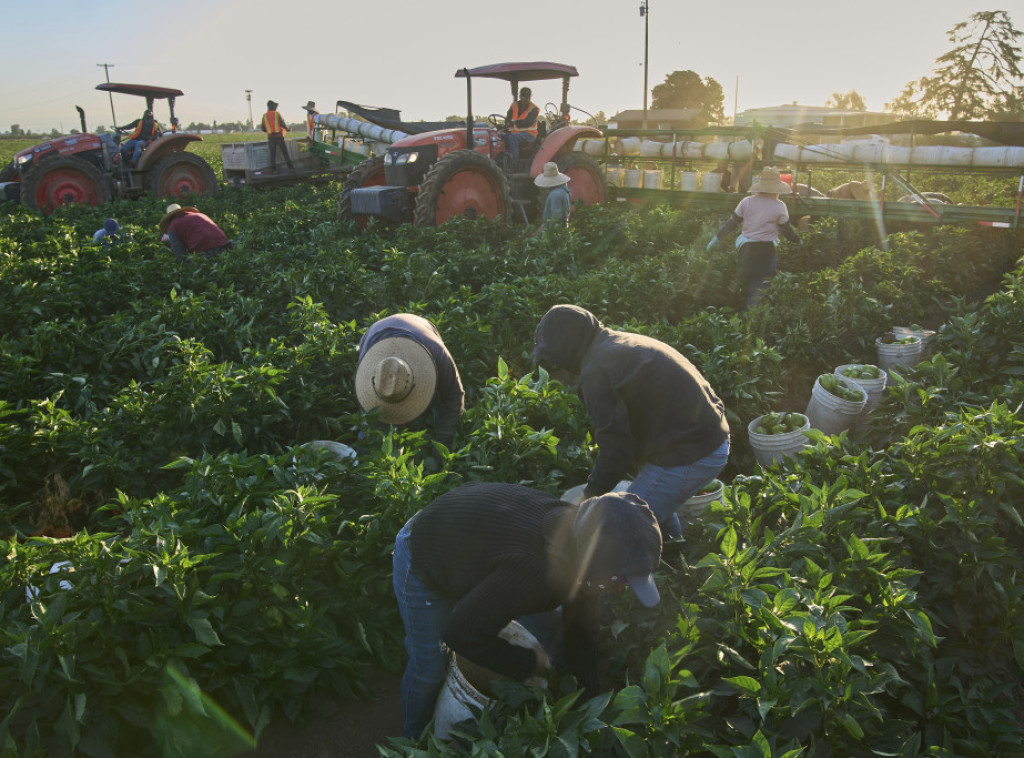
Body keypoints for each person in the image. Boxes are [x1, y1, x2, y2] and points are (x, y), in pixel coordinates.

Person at [393, 481, 662, 738]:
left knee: (555, 632)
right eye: (620, 579)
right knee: (429, 664)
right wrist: (528, 663)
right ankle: (413, 740)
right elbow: (460, 633)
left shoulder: (581, 535)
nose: (621, 588)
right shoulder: (532, 572)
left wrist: (588, 700)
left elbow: (581, 627)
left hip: (474, 546)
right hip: (425, 551)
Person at [533, 304, 730, 540]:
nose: (557, 368)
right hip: (710, 437)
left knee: (625, 525)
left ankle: (649, 572)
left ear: (566, 347)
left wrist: (589, 496)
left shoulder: (595, 372)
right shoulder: (617, 342)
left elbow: (617, 450)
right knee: (655, 504)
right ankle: (675, 556)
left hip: (694, 452)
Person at [355, 313, 464, 451]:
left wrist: (443, 445)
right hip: (373, 333)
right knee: (372, 431)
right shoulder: (367, 359)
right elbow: (369, 414)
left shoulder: (437, 351)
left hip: (422, 331)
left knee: (440, 403)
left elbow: (453, 396)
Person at [706, 166, 801, 309]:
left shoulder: (747, 202)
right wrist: (798, 241)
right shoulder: (779, 206)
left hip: (746, 251)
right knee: (758, 290)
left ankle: (730, 316)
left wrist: (715, 240)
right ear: (777, 190)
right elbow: (787, 231)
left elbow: (731, 224)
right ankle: (750, 322)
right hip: (766, 253)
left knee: (741, 284)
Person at [158, 203, 231, 262]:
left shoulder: (173, 226)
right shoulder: (200, 215)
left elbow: (180, 254)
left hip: (205, 251)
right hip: (225, 246)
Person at [503, 87, 540, 163]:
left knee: (513, 138)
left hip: (529, 134)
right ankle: (500, 161)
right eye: (524, 96)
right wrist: (507, 125)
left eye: (528, 97)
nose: (526, 99)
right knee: (498, 136)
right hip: (515, 132)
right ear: (520, 96)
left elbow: (527, 123)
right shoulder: (514, 106)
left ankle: (513, 164)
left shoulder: (534, 109)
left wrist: (514, 122)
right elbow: (508, 119)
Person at [534, 162, 571, 230]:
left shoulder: (555, 195)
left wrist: (550, 231)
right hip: (563, 228)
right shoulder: (565, 190)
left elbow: (556, 216)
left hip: (554, 230)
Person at [261, 100, 295, 173]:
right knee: (285, 153)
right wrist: (287, 129)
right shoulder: (277, 114)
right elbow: (282, 123)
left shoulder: (264, 116)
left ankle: (274, 170)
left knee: (272, 155)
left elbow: (263, 128)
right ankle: (291, 168)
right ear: (273, 107)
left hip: (270, 138)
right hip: (279, 137)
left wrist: (270, 129)